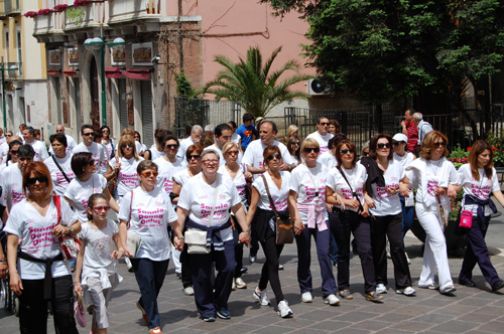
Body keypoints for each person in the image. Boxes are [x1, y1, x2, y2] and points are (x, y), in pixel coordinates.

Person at [173, 149, 250, 322]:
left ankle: (221, 302)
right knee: (202, 274)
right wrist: (178, 234)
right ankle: (206, 307)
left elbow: (237, 207)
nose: (210, 163)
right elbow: (182, 211)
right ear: (201, 163)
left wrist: (245, 229)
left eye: (214, 160)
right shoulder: (191, 184)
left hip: (223, 231)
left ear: (219, 163)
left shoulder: (227, 182)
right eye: (207, 160)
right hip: (198, 232)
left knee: (229, 267)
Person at [4, 161, 80, 334]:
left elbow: (77, 225)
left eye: (41, 179)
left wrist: (66, 228)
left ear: (47, 180)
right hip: (31, 270)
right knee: (33, 320)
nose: (37, 183)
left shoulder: (58, 203)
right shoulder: (19, 209)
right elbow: (12, 242)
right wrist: (13, 274)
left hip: (59, 268)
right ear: (26, 185)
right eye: (32, 181)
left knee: (65, 316)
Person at [118, 161, 177, 334]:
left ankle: (144, 304)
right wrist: (123, 246)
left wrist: (179, 236)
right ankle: (154, 323)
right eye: (147, 174)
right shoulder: (131, 196)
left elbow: (172, 220)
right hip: (138, 246)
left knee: (157, 283)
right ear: (139, 176)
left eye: (154, 173)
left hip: (161, 246)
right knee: (147, 285)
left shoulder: (163, 194)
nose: (151, 177)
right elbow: (123, 223)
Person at [400, 131, 458, 295]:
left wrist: (450, 189)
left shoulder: (447, 165)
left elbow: (455, 184)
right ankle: (446, 282)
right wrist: (404, 187)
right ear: (428, 146)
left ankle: (425, 279)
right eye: (436, 144)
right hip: (424, 208)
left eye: (442, 144)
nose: (440, 147)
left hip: (441, 209)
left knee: (433, 242)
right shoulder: (419, 164)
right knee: (439, 240)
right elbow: (406, 182)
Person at [325, 139, 383, 303]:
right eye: (343, 151)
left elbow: (362, 190)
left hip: (359, 214)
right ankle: (343, 286)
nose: (348, 154)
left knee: (366, 250)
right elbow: (327, 196)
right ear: (339, 155)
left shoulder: (361, 169)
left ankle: (370, 289)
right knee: (343, 252)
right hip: (341, 215)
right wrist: (344, 201)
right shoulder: (333, 173)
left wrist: (366, 204)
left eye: (350, 150)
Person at [361, 134, 415, 296]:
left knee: (398, 246)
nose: (384, 148)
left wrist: (399, 188)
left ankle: (403, 283)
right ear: (374, 149)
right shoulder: (367, 166)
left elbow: (406, 182)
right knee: (378, 248)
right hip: (377, 213)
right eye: (380, 146)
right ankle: (380, 281)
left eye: (387, 145)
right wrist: (367, 197)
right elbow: (359, 186)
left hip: (394, 212)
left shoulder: (396, 165)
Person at [289, 138, 340, 305]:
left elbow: (329, 191)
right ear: (303, 153)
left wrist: (332, 201)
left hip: (321, 217)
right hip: (303, 217)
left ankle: (329, 290)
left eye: (315, 150)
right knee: (304, 254)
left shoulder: (324, 170)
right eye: (308, 150)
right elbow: (292, 197)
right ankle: (305, 288)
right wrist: (295, 218)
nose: (312, 153)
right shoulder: (297, 172)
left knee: (324, 253)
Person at [246, 145, 294, 318]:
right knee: (273, 261)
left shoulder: (288, 176)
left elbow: (291, 200)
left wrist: (297, 219)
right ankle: (281, 302)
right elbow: (252, 208)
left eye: (277, 156)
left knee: (273, 259)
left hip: (283, 221)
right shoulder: (260, 181)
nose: (275, 159)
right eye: (271, 157)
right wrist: (245, 229)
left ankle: (260, 289)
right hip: (264, 222)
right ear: (265, 163)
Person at [456, 139, 504, 293]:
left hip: (485, 213)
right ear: (476, 155)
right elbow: (456, 186)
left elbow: (496, 191)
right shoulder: (465, 169)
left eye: (489, 155)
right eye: (484, 155)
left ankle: (464, 275)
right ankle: (494, 280)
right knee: (481, 248)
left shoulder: (492, 171)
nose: (487, 158)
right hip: (469, 214)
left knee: (474, 247)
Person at [74, 194, 122, 334]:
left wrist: (118, 252)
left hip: (109, 273)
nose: (103, 211)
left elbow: (119, 246)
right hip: (92, 274)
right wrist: (77, 280)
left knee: (101, 308)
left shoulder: (112, 224)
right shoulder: (84, 229)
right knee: (100, 307)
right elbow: (80, 255)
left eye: (106, 208)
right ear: (90, 210)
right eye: (98, 208)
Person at [219, 142, 252, 290]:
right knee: (230, 244)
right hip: (226, 213)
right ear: (224, 155)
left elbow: (250, 188)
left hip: (242, 212)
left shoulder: (243, 169)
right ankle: (229, 275)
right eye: (229, 153)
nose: (233, 155)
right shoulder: (220, 172)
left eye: (235, 152)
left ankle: (238, 275)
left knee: (239, 245)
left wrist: (249, 178)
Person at [171, 144, 203, 295]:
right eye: (190, 157)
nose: (193, 159)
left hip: (203, 217)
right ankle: (187, 281)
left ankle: (200, 280)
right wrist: (187, 198)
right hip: (186, 217)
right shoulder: (182, 175)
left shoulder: (206, 174)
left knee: (201, 250)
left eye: (196, 156)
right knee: (188, 251)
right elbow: (173, 196)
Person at [64, 152, 118, 223]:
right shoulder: (73, 186)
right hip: (83, 228)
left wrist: (121, 212)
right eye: (91, 162)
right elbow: (64, 209)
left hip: (101, 224)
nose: (94, 164)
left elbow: (109, 198)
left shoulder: (99, 178)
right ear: (83, 168)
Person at [105, 135, 142, 201]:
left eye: (130, 145)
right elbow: (104, 179)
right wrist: (114, 173)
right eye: (124, 146)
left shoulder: (141, 160)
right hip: (121, 196)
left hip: (137, 196)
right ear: (121, 148)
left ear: (133, 147)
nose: (127, 147)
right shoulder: (116, 160)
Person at [392, 133, 415, 236]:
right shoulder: (390, 157)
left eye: (398, 143)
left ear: (404, 144)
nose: (395, 146)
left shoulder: (411, 157)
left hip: (409, 193)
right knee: (399, 224)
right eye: (394, 143)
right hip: (396, 192)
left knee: (408, 223)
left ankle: (396, 245)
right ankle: (398, 249)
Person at [0, 144, 35, 212]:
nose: (25, 162)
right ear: (17, 157)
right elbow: (2, 203)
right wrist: (8, 221)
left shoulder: (37, 172)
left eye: (28, 159)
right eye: (22, 159)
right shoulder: (7, 172)